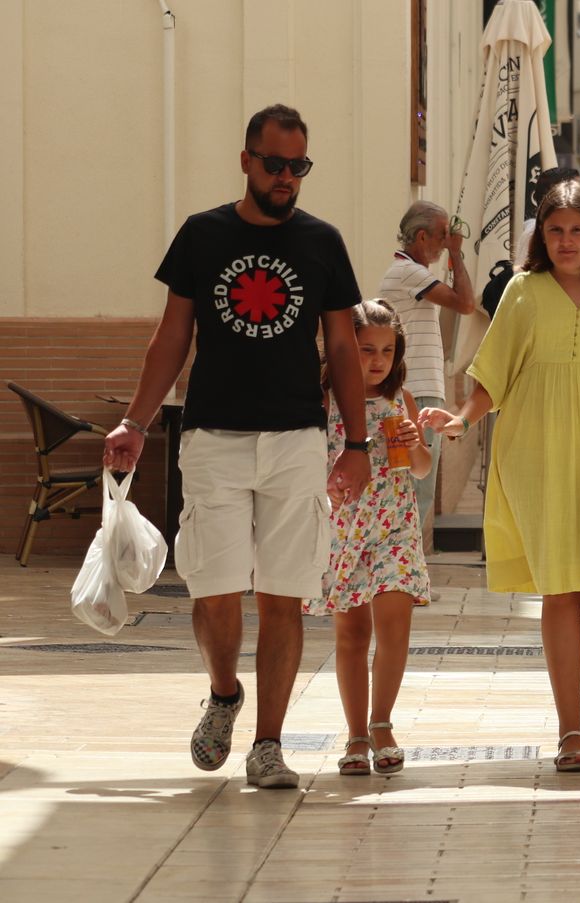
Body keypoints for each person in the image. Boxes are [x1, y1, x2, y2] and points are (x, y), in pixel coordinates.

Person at [102, 104, 369, 790]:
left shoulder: (324, 242)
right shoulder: (203, 235)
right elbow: (172, 337)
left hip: (296, 438)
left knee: (284, 594)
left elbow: (341, 344)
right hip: (213, 434)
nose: (286, 178)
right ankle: (224, 693)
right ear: (246, 160)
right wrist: (135, 420)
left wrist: (358, 440)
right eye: (274, 164)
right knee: (214, 588)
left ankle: (269, 745)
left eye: (298, 167)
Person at [416, 182, 580, 773]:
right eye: (555, 230)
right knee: (562, 590)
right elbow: (494, 373)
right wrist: (461, 418)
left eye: (577, 230)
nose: (566, 241)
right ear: (542, 236)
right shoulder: (521, 290)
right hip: (536, 455)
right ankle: (570, 728)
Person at [306, 300, 431, 776]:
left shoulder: (402, 399)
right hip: (343, 529)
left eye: (386, 350)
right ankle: (356, 734)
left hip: (395, 526)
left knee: (396, 625)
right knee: (353, 634)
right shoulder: (325, 399)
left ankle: (382, 724)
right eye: (365, 349)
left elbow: (420, 469)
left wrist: (413, 445)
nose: (377, 360)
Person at [381, 201, 476, 552]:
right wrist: (457, 255)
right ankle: (401, 571)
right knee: (416, 491)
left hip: (415, 391)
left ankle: (404, 572)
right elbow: (465, 303)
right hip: (417, 394)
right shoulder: (409, 273)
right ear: (422, 237)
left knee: (411, 489)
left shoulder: (407, 272)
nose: (446, 240)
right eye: (441, 235)